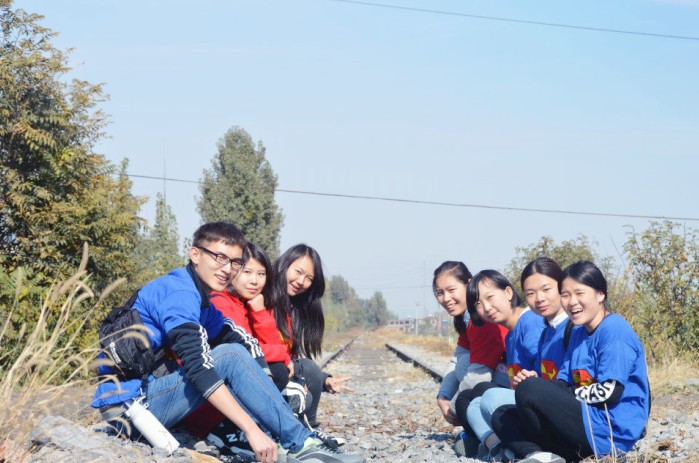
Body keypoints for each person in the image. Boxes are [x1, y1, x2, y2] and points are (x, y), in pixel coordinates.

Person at [92, 222, 365, 463]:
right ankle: (300, 443)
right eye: (219, 257)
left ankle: (295, 440)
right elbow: (199, 366)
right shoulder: (179, 293)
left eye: (235, 262)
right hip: (130, 411)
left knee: (234, 349)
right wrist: (251, 429)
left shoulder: (199, 296)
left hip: (149, 397)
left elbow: (234, 336)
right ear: (195, 254)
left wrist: (266, 377)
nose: (227, 269)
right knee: (229, 356)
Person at [491, 261, 650, 463]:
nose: (572, 302)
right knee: (503, 415)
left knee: (529, 389)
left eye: (579, 293)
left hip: (609, 431)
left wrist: (551, 392)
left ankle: (539, 452)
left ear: (600, 294)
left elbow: (610, 392)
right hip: (585, 422)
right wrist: (541, 387)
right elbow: (563, 383)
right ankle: (540, 455)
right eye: (565, 295)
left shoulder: (614, 330)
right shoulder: (578, 332)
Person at [184, 241, 292, 443]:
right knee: (277, 371)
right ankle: (229, 430)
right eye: (247, 272)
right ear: (233, 271)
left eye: (261, 274)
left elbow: (268, 344)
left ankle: (256, 428)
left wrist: (259, 312)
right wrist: (284, 357)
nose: (255, 281)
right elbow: (244, 351)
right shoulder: (220, 302)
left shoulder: (247, 304)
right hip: (206, 397)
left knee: (282, 370)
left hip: (220, 393)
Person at [466, 258, 573, 460]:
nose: (539, 299)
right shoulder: (546, 330)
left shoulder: (552, 325)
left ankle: (521, 451)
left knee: (486, 399)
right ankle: (507, 451)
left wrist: (533, 384)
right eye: (531, 293)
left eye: (546, 289)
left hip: (564, 408)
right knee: (477, 404)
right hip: (545, 401)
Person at [250, 244, 353, 443]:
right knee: (307, 370)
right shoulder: (261, 297)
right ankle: (304, 431)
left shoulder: (290, 309)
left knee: (309, 370)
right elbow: (257, 345)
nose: (301, 282)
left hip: (276, 371)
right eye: (298, 272)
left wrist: (324, 380)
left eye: (309, 279)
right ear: (284, 265)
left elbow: (291, 357)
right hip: (260, 372)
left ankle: (308, 430)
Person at [452, 269, 545, 457]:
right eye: (478, 304)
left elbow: (544, 379)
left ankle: (498, 444)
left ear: (508, 292)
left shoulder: (531, 323)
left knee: (482, 397)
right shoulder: (511, 335)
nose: (487, 308)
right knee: (469, 399)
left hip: (539, 406)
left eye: (490, 297)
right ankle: (498, 446)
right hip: (524, 401)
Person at [431, 261, 508, 456]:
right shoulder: (468, 319)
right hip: (497, 380)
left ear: (469, 283)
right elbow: (456, 359)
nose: (446, 298)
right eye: (440, 293)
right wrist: (443, 397)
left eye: (451, 290)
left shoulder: (482, 320)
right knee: (464, 362)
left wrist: (454, 409)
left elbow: (478, 376)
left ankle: (485, 434)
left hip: (510, 382)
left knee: (467, 379)